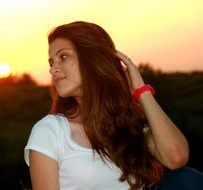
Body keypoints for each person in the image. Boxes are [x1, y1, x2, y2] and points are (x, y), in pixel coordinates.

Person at [24, 21, 203, 190]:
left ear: (93, 59)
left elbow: (176, 157)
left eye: (63, 57)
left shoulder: (129, 126)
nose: (52, 69)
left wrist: (141, 90)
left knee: (185, 179)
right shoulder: (50, 131)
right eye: (51, 62)